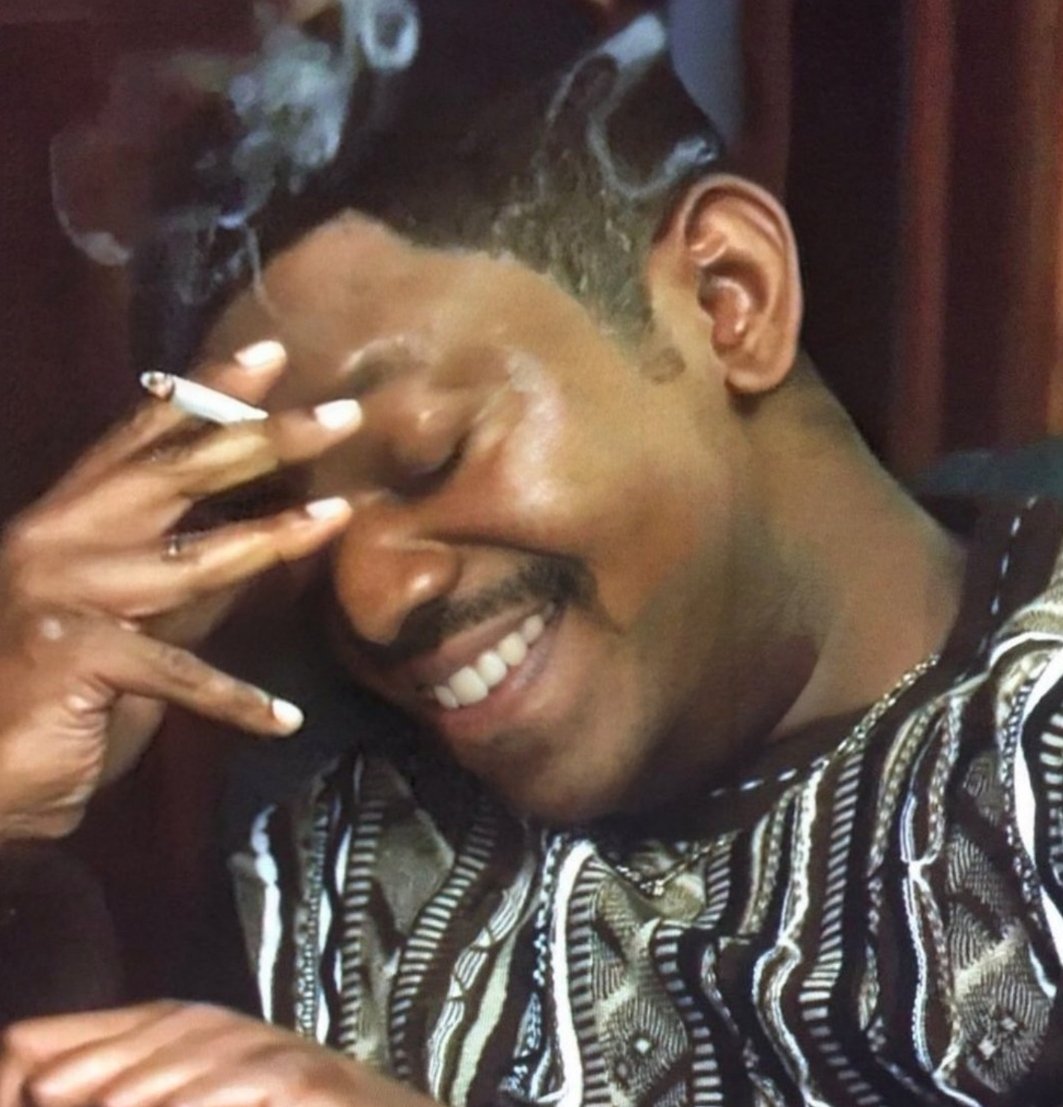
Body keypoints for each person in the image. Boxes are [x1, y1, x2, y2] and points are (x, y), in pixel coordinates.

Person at [2, 7, 1063, 1107]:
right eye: (293, 523)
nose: (370, 598)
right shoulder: (335, 845)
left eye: (431, 456)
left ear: (727, 297)